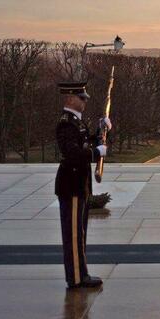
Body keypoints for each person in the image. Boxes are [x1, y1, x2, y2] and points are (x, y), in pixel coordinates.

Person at [55, 81, 112, 288]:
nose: (85, 100)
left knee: (79, 233)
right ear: (70, 99)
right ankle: (77, 278)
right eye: (82, 97)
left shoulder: (76, 122)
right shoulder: (66, 123)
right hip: (71, 185)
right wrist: (96, 153)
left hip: (80, 185)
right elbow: (73, 154)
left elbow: (87, 141)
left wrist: (101, 130)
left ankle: (81, 273)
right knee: (73, 235)